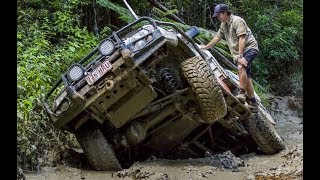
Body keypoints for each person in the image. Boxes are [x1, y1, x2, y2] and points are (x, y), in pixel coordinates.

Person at [200, 3, 259, 112]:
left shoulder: (237, 21)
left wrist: (241, 57)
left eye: (219, 15)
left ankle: (241, 94)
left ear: (225, 12)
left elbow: (242, 39)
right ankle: (253, 103)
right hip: (239, 53)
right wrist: (205, 47)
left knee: (241, 67)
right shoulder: (224, 25)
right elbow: (217, 37)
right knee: (247, 77)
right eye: (217, 16)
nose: (218, 17)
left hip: (249, 48)